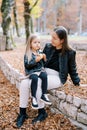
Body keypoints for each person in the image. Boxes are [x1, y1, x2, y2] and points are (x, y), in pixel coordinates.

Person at [16, 26, 80, 128]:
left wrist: (77, 82)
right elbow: (38, 61)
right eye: (51, 37)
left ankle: (42, 112)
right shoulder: (48, 47)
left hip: (57, 77)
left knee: (38, 83)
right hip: (42, 72)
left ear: (62, 40)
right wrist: (31, 71)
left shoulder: (70, 52)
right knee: (24, 83)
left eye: (54, 38)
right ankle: (22, 113)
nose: (51, 40)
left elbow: (73, 69)